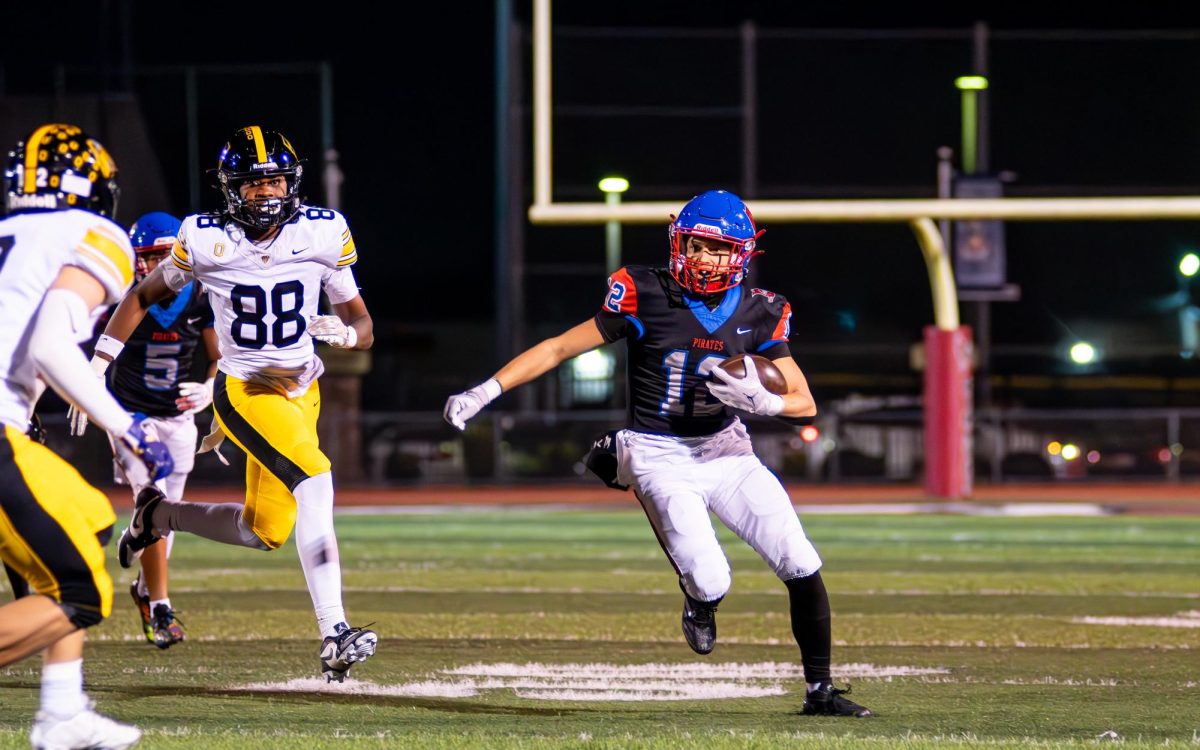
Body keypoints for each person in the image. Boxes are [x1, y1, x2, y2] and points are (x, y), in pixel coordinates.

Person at [444, 189, 873, 717]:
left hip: (725, 450)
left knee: (801, 561)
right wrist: (486, 390)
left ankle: (820, 692)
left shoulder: (763, 311)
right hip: (659, 450)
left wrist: (765, 399)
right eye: (697, 245)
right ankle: (689, 577)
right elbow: (559, 347)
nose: (705, 258)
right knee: (713, 579)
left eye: (718, 249)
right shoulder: (643, 291)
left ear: (741, 253)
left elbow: (804, 401)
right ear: (679, 241)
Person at [107, 125, 377, 682]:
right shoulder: (204, 238)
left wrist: (349, 336)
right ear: (232, 189)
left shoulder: (324, 232)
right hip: (246, 389)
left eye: (275, 180)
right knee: (316, 477)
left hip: (304, 389)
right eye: (253, 185)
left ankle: (158, 514)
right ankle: (335, 632)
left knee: (264, 531)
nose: (267, 193)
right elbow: (142, 295)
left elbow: (363, 322)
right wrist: (95, 366)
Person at [0, 122, 174, 749]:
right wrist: (125, 426)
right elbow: (49, 343)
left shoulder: (8, 233)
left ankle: (62, 711)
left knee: (90, 518)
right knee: (80, 592)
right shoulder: (91, 233)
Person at [68, 211, 219, 650]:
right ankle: (160, 606)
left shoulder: (198, 296)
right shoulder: (122, 296)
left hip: (178, 417)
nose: (153, 268)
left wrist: (211, 387)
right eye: (145, 258)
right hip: (130, 416)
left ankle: (142, 583)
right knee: (151, 499)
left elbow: (217, 356)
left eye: (162, 257)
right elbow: (72, 344)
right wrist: (85, 383)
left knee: (164, 517)